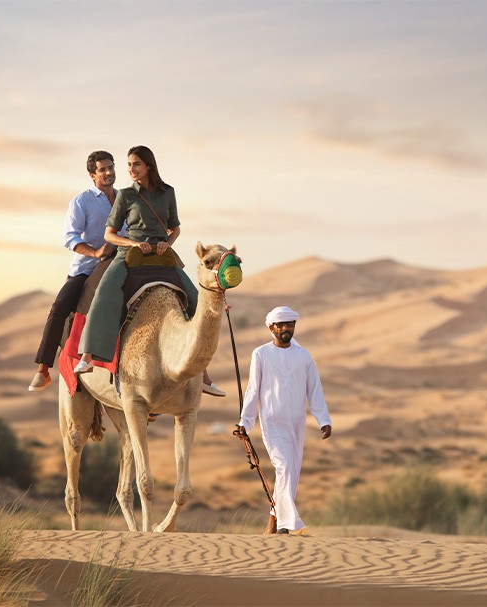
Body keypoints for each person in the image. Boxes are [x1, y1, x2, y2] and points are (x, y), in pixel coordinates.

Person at [74, 145, 224, 397]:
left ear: (149, 166)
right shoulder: (125, 195)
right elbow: (109, 234)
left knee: (197, 298)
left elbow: (175, 228)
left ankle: (204, 375)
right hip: (130, 253)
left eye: (136, 164)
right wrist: (133, 243)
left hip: (161, 254)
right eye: (129, 165)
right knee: (105, 291)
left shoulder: (168, 193)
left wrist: (168, 242)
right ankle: (87, 356)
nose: (130, 170)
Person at [236, 306, 332, 535]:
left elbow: (314, 390)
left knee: (290, 475)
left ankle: (273, 523)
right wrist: (245, 421)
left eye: (290, 324)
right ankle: (287, 525)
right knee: (285, 466)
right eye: (282, 325)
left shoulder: (304, 356)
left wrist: (323, 419)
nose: (287, 328)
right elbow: (252, 390)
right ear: (271, 328)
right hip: (272, 421)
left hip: (296, 423)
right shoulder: (261, 354)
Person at [28, 151, 118, 392]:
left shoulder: (125, 199)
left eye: (111, 167)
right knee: (59, 307)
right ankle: (43, 369)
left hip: (120, 265)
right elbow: (70, 238)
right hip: (87, 269)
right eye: (102, 169)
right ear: (92, 175)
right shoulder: (82, 201)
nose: (109, 172)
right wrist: (96, 252)